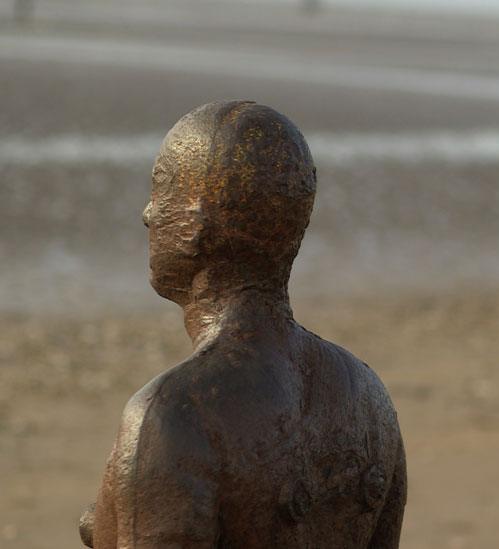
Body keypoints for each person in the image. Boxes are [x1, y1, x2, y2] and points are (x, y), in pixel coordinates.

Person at [80, 101, 406, 548]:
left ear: (198, 224)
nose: (148, 214)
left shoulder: (174, 416)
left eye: (162, 189)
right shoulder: (370, 397)